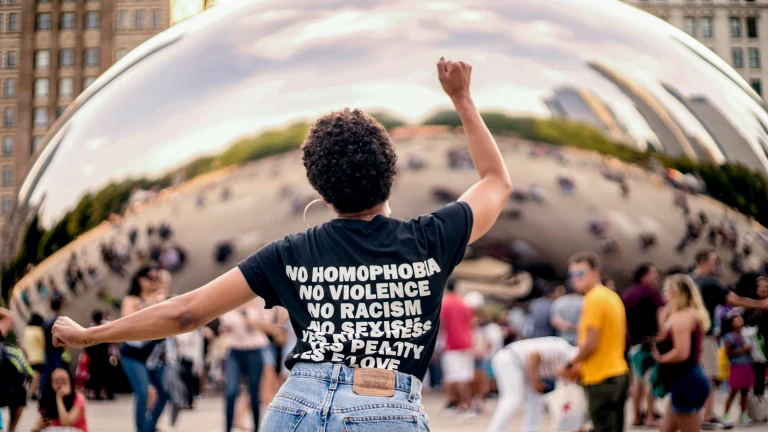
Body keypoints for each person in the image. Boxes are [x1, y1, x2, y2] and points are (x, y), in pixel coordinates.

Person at [51, 58, 512, 431]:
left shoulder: (290, 253)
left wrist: (90, 335)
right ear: (389, 175)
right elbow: (495, 181)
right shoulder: (431, 237)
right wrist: (462, 98)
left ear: (322, 191)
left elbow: (186, 312)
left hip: (297, 406)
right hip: (386, 407)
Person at [689, 249, 768, 428]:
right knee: (709, 374)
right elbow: (735, 300)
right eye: (713, 260)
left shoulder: (688, 280)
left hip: (688, 334)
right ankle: (708, 415)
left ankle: (694, 412)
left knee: (692, 373)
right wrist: (761, 304)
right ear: (703, 261)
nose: (716, 264)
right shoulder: (712, 282)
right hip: (705, 335)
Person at [558, 252, 629, 432]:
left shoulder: (593, 299)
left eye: (580, 273)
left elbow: (591, 343)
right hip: (618, 373)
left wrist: (569, 364)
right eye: (572, 275)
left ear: (595, 272)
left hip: (601, 378)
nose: (575, 279)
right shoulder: (612, 296)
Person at [651, 274, 710, 432]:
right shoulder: (685, 315)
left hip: (687, 380)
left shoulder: (682, 318)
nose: (664, 295)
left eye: (666, 290)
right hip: (685, 379)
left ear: (676, 293)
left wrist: (660, 359)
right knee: (665, 429)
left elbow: (682, 353)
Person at [488, 336, 578, 432]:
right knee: (513, 399)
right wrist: (535, 382)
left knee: (536, 398)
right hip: (510, 359)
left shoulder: (567, 357)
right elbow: (534, 356)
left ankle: (531, 429)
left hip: (521, 365)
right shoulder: (562, 349)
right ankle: (495, 430)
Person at [119, 266, 170, 432]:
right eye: (151, 278)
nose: (155, 282)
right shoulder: (132, 299)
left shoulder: (160, 299)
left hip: (154, 355)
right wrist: (151, 301)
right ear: (140, 280)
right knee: (143, 393)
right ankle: (141, 429)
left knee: (164, 392)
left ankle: (150, 426)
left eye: (157, 279)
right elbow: (127, 319)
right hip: (134, 354)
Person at [219, 298, 280, 431]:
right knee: (231, 391)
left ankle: (257, 427)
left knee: (254, 391)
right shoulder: (231, 302)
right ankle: (227, 428)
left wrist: (250, 319)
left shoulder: (261, 302)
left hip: (255, 350)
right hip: (234, 350)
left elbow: (271, 329)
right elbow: (224, 326)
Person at [622, 263, 664, 427]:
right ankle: (651, 416)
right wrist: (662, 336)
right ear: (644, 276)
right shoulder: (652, 294)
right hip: (650, 344)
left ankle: (636, 416)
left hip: (634, 345)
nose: (655, 277)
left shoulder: (627, 294)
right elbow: (661, 315)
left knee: (637, 382)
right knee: (650, 380)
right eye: (653, 273)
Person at [440, 280, 475, 414]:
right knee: (464, 376)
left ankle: (460, 404)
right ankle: (466, 404)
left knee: (454, 377)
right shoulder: (464, 303)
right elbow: (471, 323)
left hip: (453, 344)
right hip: (466, 343)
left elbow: (442, 324)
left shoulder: (446, 303)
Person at [721, 310, 754, 426]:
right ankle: (725, 414)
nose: (739, 322)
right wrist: (743, 350)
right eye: (736, 320)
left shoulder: (747, 334)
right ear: (731, 323)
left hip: (747, 365)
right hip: (736, 366)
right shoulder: (729, 337)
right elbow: (728, 352)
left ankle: (743, 414)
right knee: (733, 392)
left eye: (740, 320)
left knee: (745, 392)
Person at [33, 367, 89, 432]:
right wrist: (37, 428)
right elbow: (36, 426)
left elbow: (66, 424)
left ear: (70, 381)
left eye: (63, 380)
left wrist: (59, 398)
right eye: (57, 380)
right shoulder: (47, 398)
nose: (60, 383)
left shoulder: (78, 398)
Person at [40, 298, 68, 396]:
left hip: (48, 349)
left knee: (47, 371)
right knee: (58, 370)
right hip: (56, 349)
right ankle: (60, 391)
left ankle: (43, 392)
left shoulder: (47, 319)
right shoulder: (58, 320)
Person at [85, 310, 113, 400]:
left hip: (97, 355)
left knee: (99, 375)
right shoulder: (102, 327)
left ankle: (100, 393)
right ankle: (104, 393)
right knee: (102, 375)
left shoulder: (92, 328)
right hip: (99, 355)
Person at [174, 328, 205, 409]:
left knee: (190, 381)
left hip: (191, 358)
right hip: (182, 357)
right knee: (183, 380)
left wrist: (198, 363)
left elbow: (198, 349)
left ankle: (189, 401)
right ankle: (184, 400)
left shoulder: (196, 333)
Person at [24, 313, 46, 400]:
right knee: (38, 375)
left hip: (30, 355)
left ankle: (31, 390)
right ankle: (33, 392)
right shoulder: (38, 330)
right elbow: (43, 343)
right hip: (39, 355)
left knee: (32, 375)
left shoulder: (27, 329)